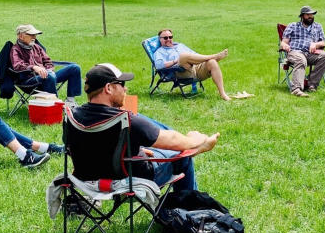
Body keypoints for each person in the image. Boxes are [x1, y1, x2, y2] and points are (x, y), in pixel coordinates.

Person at [70, 63, 218, 191]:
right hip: (132, 179)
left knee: (149, 139)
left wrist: (134, 150)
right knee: (182, 155)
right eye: (122, 84)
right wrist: (195, 140)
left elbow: (84, 148)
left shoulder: (72, 116)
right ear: (108, 88)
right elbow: (173, 141)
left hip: (88, 179)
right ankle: (187, 209)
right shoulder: (125, 120)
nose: (125, 89)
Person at [152, 29, 232, 101]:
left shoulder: (180, 45)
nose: (168, 39)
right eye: (165, 38)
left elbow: (195, 55)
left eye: (170, 37)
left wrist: (203, 62)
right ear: (160, 39)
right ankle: (214, 56)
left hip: (196, 68)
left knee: (212, 62)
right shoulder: (159, 52)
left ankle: (223, 94)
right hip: (181, 72)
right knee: (183, 56)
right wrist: (175, 61)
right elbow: (159, 65)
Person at [9, 24, 82, 99]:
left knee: (75, 68)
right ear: (21, 36)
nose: (34, 37)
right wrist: (34, 67)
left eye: (35, 35)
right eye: (31, 35)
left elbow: (48, 61)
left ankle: (70, 101)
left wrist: (49, 70)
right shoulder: (15, 50)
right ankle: (55, 104)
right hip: (29, 81)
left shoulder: (36, 47)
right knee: (49, 76)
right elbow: (17, 66)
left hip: (47, 76)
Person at [280, 5, 325, 97]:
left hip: (311, 53)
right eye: (308, 15)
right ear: (302, 16)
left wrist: (315, 44)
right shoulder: (293, 26)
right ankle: (296, 89)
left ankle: (312, 85)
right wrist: (285, 45)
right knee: (301, 60)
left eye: (312, 14)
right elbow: (283, 43)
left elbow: (322, 43)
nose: (310, 16)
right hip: (296, 52)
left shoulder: (318, 26)